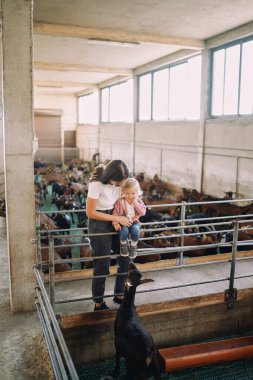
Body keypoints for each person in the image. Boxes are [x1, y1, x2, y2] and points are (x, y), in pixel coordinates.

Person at [86, 159, 132, 311]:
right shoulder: (96, 184)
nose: (119, 185)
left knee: (125, 257)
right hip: (98, 223)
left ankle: (119, 294)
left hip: (115, 219)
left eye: (122, 182)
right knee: (102, 265)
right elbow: (90, 212)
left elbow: (129, 196)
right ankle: (98, 303)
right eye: (117, 181)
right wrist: (117, 219)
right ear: (109, 175)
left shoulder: (121, 183)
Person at [112, 178, 146, 258]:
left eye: (133, 193)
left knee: (136, 231)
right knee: (124, 232)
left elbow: (142, 213)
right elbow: (115, 213)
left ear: (138, 193)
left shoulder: (139, 201)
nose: (130, 196)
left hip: (134, 222)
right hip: (123, 221)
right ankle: (123, 244)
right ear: (123, 192)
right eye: (127, 193)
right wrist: (115, 223)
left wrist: (135, 202)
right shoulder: (120, 202)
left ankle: (133, 246)